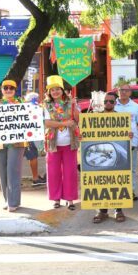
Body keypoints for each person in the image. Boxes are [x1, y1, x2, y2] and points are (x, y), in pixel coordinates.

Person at [42, 75, 80, 210]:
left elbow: (77, 119)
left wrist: (74, 107)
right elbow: (47, 123)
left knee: (70, 172)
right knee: (53, 172)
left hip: (70, 142)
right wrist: (64, 123)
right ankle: (56, 199)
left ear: (62, 90)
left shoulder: (71, 103)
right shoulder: (46, 105)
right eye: (52, 90)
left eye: (58, 89)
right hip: (53, 143)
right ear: (49, 92)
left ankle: (70, 199)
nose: (55, 92)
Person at [92, 92, 129, 223]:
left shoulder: (121, 118)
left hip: (115, 154)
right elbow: (88, 135)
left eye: (111, 101)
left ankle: (118, 210)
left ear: (115, 103)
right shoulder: (95, 118)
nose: (108, 103)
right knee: (101, 182)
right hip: (101, 154)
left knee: (117, 181)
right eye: (106, 101)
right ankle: (102, 211)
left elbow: (126, 135)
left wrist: (129, 135)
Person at [0, 79, 25, 213]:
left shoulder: (22, 103)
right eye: (6, 88)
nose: (8, 90)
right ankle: (7, 199)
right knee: (2, 171)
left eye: (11, 88)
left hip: (17, 141)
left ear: (15, 90)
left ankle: (13, 202)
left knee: (13, 170)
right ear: (1, 90)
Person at [115, 83, 138, 201]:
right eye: (121, 90)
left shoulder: (135, 106)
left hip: (132, 142)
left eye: (126, 90)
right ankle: (117, 191)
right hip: (115, 143)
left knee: (131, 169)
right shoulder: (112, 105)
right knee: (116, 168)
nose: (123, 92)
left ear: (130, 92)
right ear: (117, 91)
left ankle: (130, 191)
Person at [24, 91, 46, 187]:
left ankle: (35, 177)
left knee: (32, 157)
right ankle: (36, 178)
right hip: (34, 136)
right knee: (33, 157)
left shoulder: (24, 108)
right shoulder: (38, 107)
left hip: (28, 136)